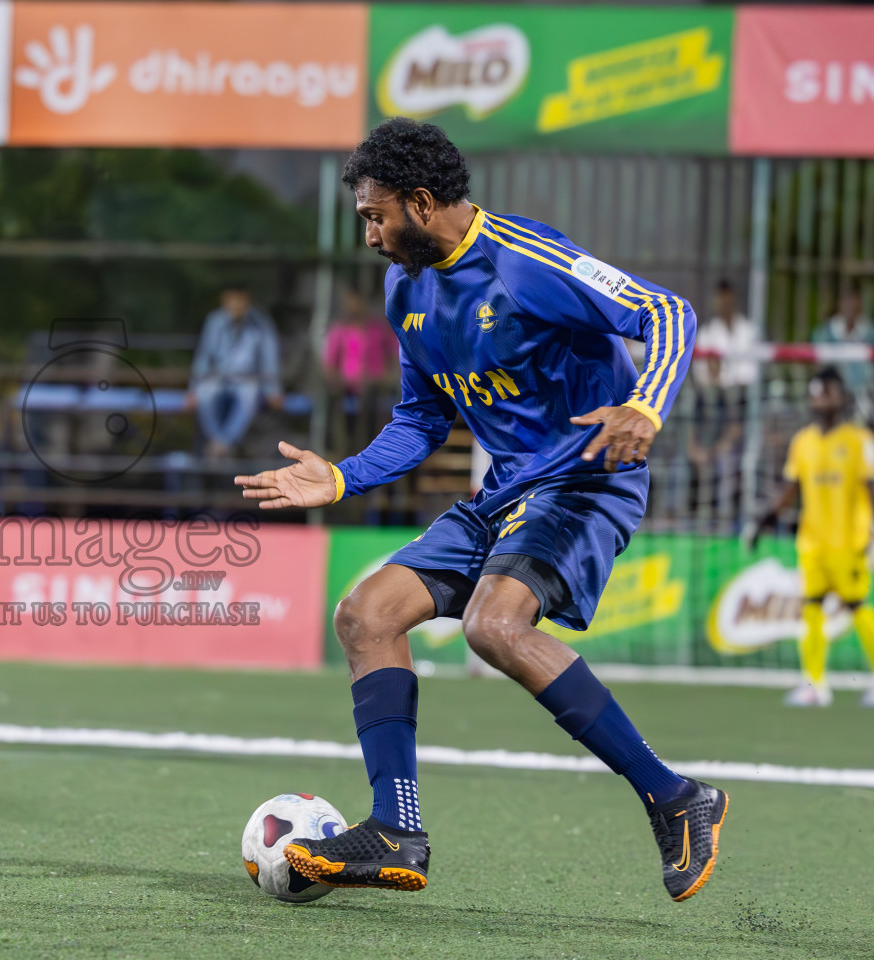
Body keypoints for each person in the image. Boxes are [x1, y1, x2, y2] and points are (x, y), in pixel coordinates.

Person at [235, 118, 723, 903]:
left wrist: (645, 405)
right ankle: (396, 829)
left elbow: (667, 314)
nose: (369, 234)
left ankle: (676, 797)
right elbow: (421, 419)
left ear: (422, 203)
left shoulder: (529, 262)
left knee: (494, 626)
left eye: (375, 215)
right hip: (502, 494)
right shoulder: (406, 289)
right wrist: (340, 478)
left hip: (585, 481)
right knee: (365, 615)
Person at [749, 366, 874, 708]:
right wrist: (765, 521)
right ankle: (815, 683)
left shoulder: (859, 440)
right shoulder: (803, 440)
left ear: (841, 396)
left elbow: (871, 486)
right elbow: (792, 488)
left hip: (851, 540)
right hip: (813, 541)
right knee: (813, 608)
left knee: (857, 605)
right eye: (817, 392)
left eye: (828, 391)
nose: (821, 398)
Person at [186, 285, 283, 458]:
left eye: (241, 300)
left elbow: (269, 359)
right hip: (218, 378)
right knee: (205, 392)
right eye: (232, 299)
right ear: (224, 300)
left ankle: (222, 445)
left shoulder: (261, 323)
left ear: (248, 301)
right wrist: (193, 389)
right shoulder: (214, 321)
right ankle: (220, 443)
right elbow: (203, 357)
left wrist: (273, 390)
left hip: (248, 380)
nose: (237, 305)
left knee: (250, 394)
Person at [689, 280, 757, 525]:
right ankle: (709, 512)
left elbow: (749, 377)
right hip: (713, 405)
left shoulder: (749, 331)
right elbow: (704, 377)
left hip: (743, 402)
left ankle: (727, 514)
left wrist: (723, 376)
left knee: (731, 456)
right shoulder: (708, 333)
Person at [322, 286, 395, 455]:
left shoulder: (378, 330)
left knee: (372, 402)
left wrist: (385, 377)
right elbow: (329, 365)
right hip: (346, 390)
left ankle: (371, 448)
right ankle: (339, 448)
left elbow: (395, 354)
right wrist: (338, 381)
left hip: (375, 388)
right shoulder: (339, 331)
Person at [811, 284, 874, 415]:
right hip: (834, 393)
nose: (850, 305)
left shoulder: (869, 333)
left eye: (854, 301)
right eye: (847, 300)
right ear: (839, 303)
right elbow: (817, 366)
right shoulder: (824, 333)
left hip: (864, 393)